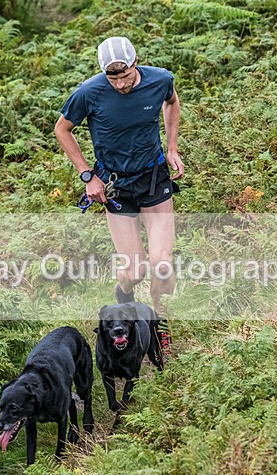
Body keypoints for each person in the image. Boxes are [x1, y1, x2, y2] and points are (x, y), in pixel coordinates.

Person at [54, 36, 184, 357]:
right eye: (113, 78)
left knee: (162, 264)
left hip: (153, 179)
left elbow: (172, 102)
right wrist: (88, 175)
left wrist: (172, 148)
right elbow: (62, 129)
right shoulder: (90, 93)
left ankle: (159, 328)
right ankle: (124, 294)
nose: (121, 83)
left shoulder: (159, 79)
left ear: (135, 62)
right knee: (136, 270)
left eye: (125, 75)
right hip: (116, 188)